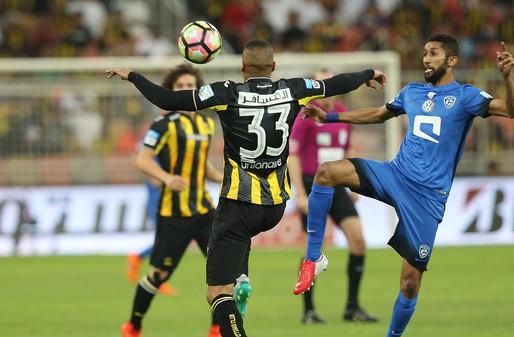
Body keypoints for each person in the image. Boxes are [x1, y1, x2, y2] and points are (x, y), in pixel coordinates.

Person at [106, 38, 386, 337]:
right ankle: (242, 278)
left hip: (239, 205)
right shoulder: (293, 89)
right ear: (274, 67)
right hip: (276, 205)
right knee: (236, 252)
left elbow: (168, 100)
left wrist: (133, 76)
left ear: (242, 67)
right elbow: (336, 84)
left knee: (216, 293)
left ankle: (235, 289)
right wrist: (368, 73)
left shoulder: (227, 93)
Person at [294, 35, 514, 337]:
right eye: (425, 52)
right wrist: (329, 117)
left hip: (427, 199)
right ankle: (313, 258)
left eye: (434, 53)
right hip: (395, 175)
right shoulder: (412, 92)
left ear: (451, 61)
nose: (426, 58)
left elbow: (512, 110)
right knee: (326, 173)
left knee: (410, 283)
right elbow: (377, 114)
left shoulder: (466, 96)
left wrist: (507, 78)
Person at [116, 63, 224, 337]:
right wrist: (166, 178)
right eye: (180, 87)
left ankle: (216, 328)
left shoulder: (206, 123)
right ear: (172, 91)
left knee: (223, 272)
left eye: (190, 86)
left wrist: (222, 178)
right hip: (173, 214)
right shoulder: (162, 125)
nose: (186, 90)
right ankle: (134, 326)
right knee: (159, 275)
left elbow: (202, 167)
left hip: (204, 211)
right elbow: (142, 159)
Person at [289, 69, 377, 324]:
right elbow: (293, 155)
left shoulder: (339, 112)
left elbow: (344, 150)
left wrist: (351, 184)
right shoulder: (306, 113)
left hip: (337, 184)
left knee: (358, 241)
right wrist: (301, 193)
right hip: (311, 183)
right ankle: (308, 311)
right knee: (313, 249)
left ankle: (353, 307)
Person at [125, 157, 177, 296]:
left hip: (164, 204)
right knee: (166, 241)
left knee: (167, 241)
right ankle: (156, 278)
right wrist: (172, 177)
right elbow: (155, 180)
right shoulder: (155, 150)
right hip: (158, 205)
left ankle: (138, 259)